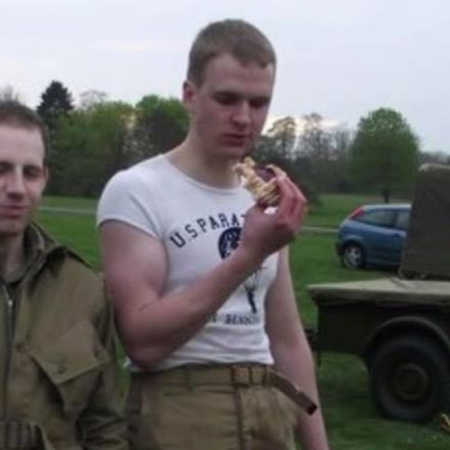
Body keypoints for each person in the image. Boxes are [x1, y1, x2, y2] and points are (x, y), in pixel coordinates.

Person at [98, 19, 329, 450]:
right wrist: (247, 254)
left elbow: (286, 338)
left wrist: (318, 445)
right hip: (182, 407)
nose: (244, 118)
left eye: (259, 103)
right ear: (189, 94)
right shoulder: (137, 189)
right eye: (227, 99)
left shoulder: (264, 196)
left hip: (270, 405)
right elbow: (142, 342)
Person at [0, 100, 129, 450]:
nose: (15, 188)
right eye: (1, 169)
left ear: (44, 179)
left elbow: (105, 426)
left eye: (29, 173)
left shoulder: (83, 291)